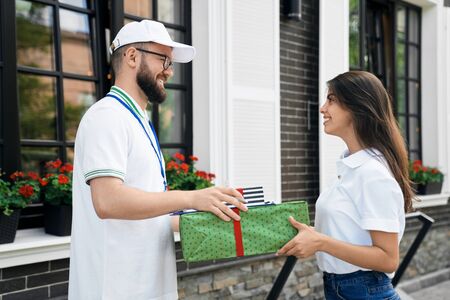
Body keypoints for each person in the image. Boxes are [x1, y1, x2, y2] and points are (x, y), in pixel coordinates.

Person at [68, 20, 247, 300]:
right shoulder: (107, 116)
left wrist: (215, 214)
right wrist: (191, 198)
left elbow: (149, 215)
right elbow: (108, 202)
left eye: (171, 62)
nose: (170, 70)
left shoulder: (136, 120)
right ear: (131, 56)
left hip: (145, 286)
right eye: (163, 59)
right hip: (115, 289)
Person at [277, 71, 413, 300]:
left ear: (357, 108)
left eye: (331, 100)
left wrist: (321, 242)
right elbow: (349, 232)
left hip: (364, 291)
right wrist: (313, 235)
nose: (322, 108)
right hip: (341, 288)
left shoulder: (372, 174)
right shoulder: (351, 167)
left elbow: (388, 258)